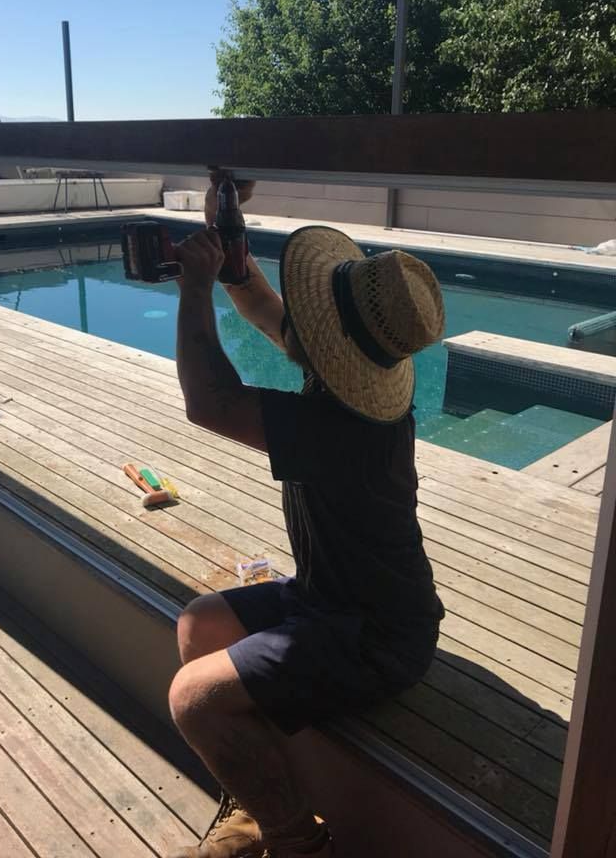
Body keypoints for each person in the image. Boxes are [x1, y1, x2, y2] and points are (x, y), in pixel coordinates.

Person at [167, 173, 446, 858]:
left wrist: (194, 287)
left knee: (192, 701)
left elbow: (208, 398)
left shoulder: (337, 426)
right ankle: (255, 799)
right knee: (199, 623)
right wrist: (232, 259)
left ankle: (295, 842)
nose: (302, 322)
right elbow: (266, 310)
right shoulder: (364, 393)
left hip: (376, 635)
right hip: (331, 597)